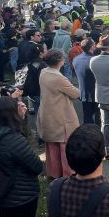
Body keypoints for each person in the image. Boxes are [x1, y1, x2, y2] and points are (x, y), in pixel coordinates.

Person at [38, 50, 81, 179]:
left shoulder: (44, 72)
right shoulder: (58, 77)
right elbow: (75, 93)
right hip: (60, 116)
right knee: (65, 146)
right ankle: (68, 174)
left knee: (52, 146)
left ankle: (54, 172)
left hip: (47, 114)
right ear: (59, 61)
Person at [73, 39, 99, 125]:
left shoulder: (76, 59)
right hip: (95, 92)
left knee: (87, 118)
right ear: (92, 47)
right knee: (98, 118)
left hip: (83, 92)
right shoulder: (94, 60)